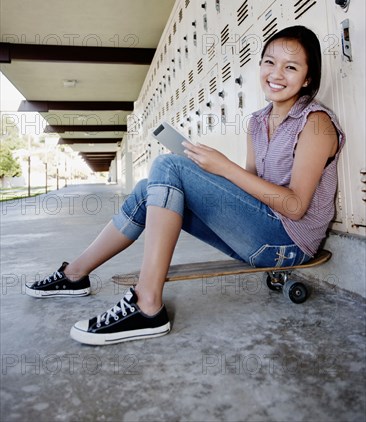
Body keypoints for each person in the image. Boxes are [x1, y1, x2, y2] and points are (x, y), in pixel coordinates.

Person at [26, 25, 345, 346]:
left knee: (168, 166)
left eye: (291, 67)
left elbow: (296, 205)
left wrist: (225, 168)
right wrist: (210, 174)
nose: (276, 74)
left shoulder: (316, 123)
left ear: (307, 79)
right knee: (150, 186)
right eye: (269, 62)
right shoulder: (257, 122)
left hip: (288, 245)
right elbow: (253, 190)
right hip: (260, 231)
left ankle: (147, 306)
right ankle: (74, 276)